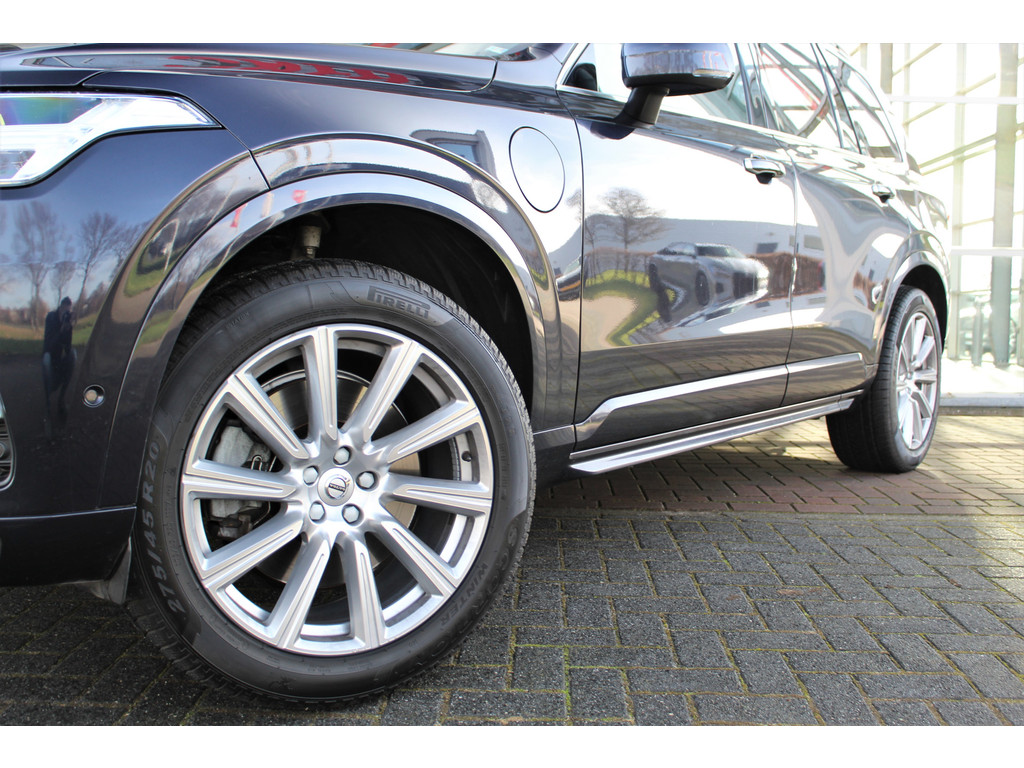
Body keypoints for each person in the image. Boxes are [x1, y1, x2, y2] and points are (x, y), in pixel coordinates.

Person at [42, 297, 76, 420]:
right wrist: (60, 330)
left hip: (60, 358)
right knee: (46, 359)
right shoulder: (51, 317)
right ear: (60, 307)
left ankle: (61, 399)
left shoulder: (67, 322)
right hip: (50, 356)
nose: (66, 314)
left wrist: (68, 328)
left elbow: (68, 348)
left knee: (73, 354)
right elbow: (49, 345)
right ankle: (47, 402)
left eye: (68, 312)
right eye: (64, 311)